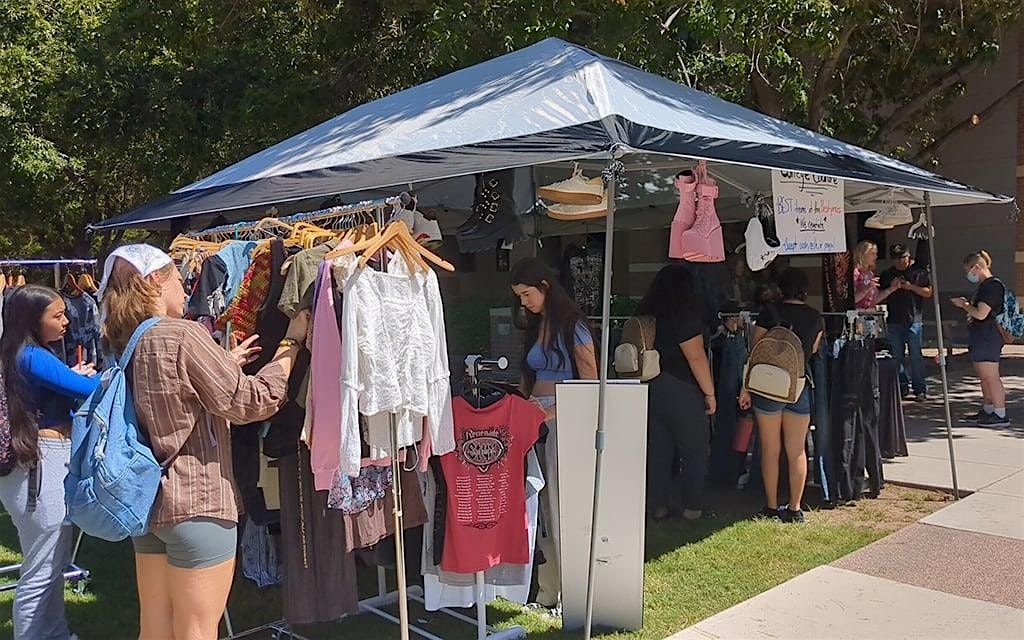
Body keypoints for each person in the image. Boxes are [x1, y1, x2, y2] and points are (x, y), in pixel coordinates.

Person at [98, 244, 310, 640]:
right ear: (153, 282)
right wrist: (291, 344)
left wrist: (222, 364)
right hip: (197, 501)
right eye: (178, 279)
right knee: (197, 630)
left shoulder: (123, 339)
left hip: (148, 501)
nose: (185, 288)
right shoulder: (183, 334)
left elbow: (169, 395)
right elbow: (252, 401)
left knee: (155, 628)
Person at [0, 285, 99, 640]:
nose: (66, 320)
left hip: (35, 467)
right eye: (57, 315)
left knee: (51, 562)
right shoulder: (31, 355)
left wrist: (73, 378)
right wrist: (106, 376)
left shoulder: (20, 352)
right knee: (41, 569)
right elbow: (90, 390)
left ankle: (55, 633)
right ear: (32, 319)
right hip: (39, 468)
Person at [510, 257, 598, 611]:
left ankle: (572, 593)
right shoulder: (538, 325)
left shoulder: (573, 325)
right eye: (519, 296)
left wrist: (551, 412)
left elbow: (590, 382)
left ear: (544, 287)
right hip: (536, 421)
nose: (524, 302)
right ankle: (548, 592)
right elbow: (527, 377)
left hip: (564, 420)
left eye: (527, 294)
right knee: (542, 508)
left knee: (562, 506)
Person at [739, 268, 824, 523]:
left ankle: (771, 506)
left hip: (768, 386)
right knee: (797, 450)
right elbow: (813, 350)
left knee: (770, 449)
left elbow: (756, 351)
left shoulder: (769, 312)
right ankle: (795, 508)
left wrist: (745, 387)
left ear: (780, 289)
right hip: (798, 385)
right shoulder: (815, 317)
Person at [635, 264, 715, 521]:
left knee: (659, 450)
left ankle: (658, 506)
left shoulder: (647, 313)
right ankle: (692, 507)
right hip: (681, 386)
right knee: (694, 449)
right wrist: (710, 394)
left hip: (650, 384)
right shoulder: (684, 315)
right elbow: (696, 357)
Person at [953, 250, 1009, 427]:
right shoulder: (986, 286)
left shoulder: (991, 286)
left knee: (991, 376)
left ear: (976, 267)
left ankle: (1000, 413)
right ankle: (988, 409)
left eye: (968, 270)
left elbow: (981, 313)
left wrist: (964, 305)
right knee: (984, 377)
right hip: (981, 336)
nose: (968, 274)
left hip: (988, 336)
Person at [879, 243, 932, 400]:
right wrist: (891, 288)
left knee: (915, 356)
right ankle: (902, 386)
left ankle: (920, 388)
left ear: (908, 256)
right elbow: (879, 293)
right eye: (896, 259)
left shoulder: (918, 271)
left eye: (902, 258)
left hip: (914, 319)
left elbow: (928, 292)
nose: (900, 261)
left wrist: (910, 287)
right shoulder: (888, 274)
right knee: (897, 356)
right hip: (894, 319)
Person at [853, 240, 898, 311]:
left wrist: (891, 289)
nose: (876, 256)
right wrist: (867, 288)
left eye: (876, 253)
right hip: (858, 312)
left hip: (870, 312)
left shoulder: (870, 273)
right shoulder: (855, 272)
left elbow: (874, 300)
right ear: (863, 255)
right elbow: (852, 300)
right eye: (872, 254)